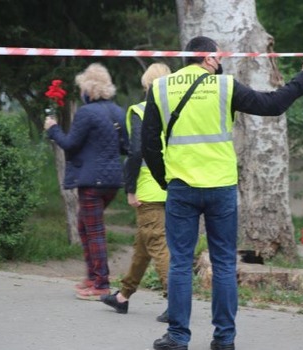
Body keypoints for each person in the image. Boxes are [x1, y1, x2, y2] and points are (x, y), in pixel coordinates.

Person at [141, 36, 303, 350]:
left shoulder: (159, 88)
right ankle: (224, 339)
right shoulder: (224, 86)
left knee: (181, 264)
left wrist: (165, 181)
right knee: (224, 263)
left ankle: (178, 338)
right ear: (210, 59)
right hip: (221, 188)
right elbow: (272, 105)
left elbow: (149, 145)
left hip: (181, 188)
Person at [44, 62, 128, 300]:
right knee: (85, 226)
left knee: (94, 230)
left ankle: (100, 282)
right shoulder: (118, 111)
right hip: (112, 181)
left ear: (88, 89)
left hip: (92, 181)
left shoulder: (86, 112)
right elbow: (124, 146)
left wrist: (53, 129)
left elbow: (70, 144)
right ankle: (92, 276)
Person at [100, 63, 171, 323]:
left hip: (149, 188)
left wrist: (130, 188)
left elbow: (137, 152)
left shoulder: (141, 110)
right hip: (174, 185)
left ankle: (174, 301)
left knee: (158, 245)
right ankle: (123, 296)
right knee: (144, 244)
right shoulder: (177, 109)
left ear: (146, 87)